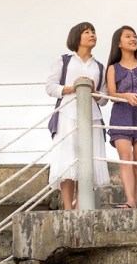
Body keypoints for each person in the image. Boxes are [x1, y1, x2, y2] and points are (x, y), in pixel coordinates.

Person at [45, 22, 110, 209]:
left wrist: (94, 90)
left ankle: (83, 206)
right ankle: (67, 208)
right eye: (87, 32)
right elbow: (50, 87)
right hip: (67, 114)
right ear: (77, 37)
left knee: (87, 161)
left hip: (92, 117)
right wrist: (73, 88)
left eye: (94, 32)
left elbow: (104, 99)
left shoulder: (99, 66)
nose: (92, 35)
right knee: (67, 160)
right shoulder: (63, 60)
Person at [106, 26, 137, 209]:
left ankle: (134, 200)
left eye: (134, 36)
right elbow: (111, 93)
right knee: (126, 157)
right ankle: (131, 201)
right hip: (121, 114)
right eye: (128, 36)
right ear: (119, 43)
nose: (133, 39)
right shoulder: (113, 68)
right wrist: (126, 96)